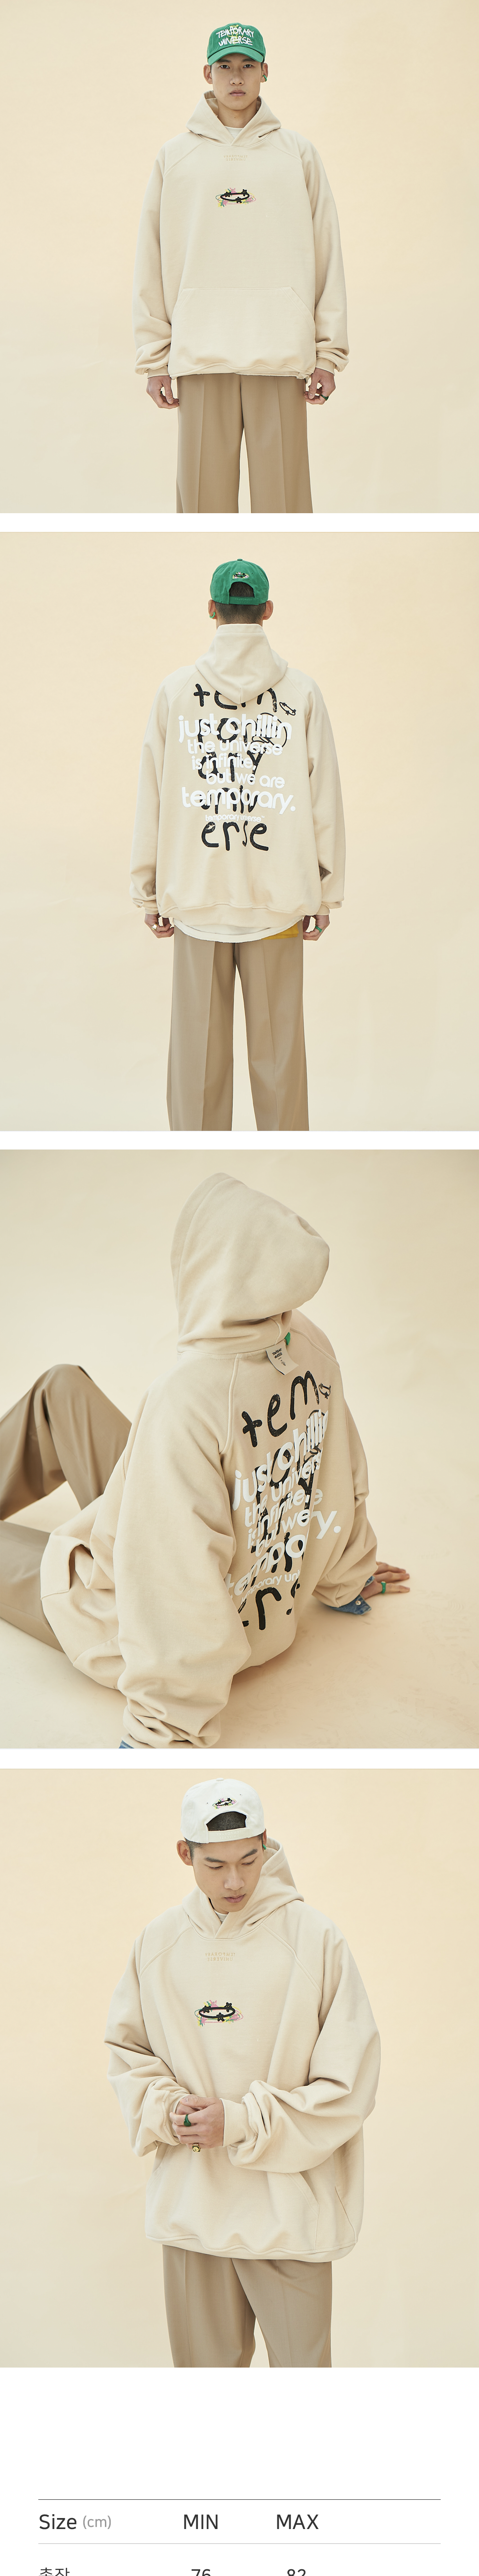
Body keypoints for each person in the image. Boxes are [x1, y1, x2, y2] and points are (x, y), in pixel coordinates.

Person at [0, 1174, 409, 1748]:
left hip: (130, 1622)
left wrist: (167, 1721)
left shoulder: (187, 1397)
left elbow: (177, 1577)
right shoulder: (306, 1342)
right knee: (62, 1388)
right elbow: (336, 1466)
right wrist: (348, 1576)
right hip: (242, 1574)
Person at [105, 1776, 381, 2369]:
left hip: (289, 2213)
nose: (234, 1881)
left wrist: (237, 2122)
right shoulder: (158, 1942)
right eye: (215, 1865)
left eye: (248, 1861)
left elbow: (349, 2084)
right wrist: (168, 2109)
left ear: (265, 1844)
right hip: (192, 2209)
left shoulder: (315, 1939)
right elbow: (128, 2053)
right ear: (185, 1854)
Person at [131, 555, 345, 1130]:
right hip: (278, 902)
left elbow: (152, 796)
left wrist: (147, 892)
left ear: (211, 609)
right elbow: (324, 798)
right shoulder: (302, 692)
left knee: (195, 1073)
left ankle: (196, 1159)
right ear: (267, 611)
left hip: (197, 898)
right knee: (281, 1067)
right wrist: (325, 893)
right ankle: (287, 1158)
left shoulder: (175, 692)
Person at [133, 23, 348, 513]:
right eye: (225, 65)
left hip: (281, 351)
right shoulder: (175, 156)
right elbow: (151, 257)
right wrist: (154, 358)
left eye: (248, 65)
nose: (236, 77)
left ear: (265, 71)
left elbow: (327, 252)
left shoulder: (297, 154)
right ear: (206, 73)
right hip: (200, 352)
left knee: (285, 509)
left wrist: (328, 354)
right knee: (202, 511)